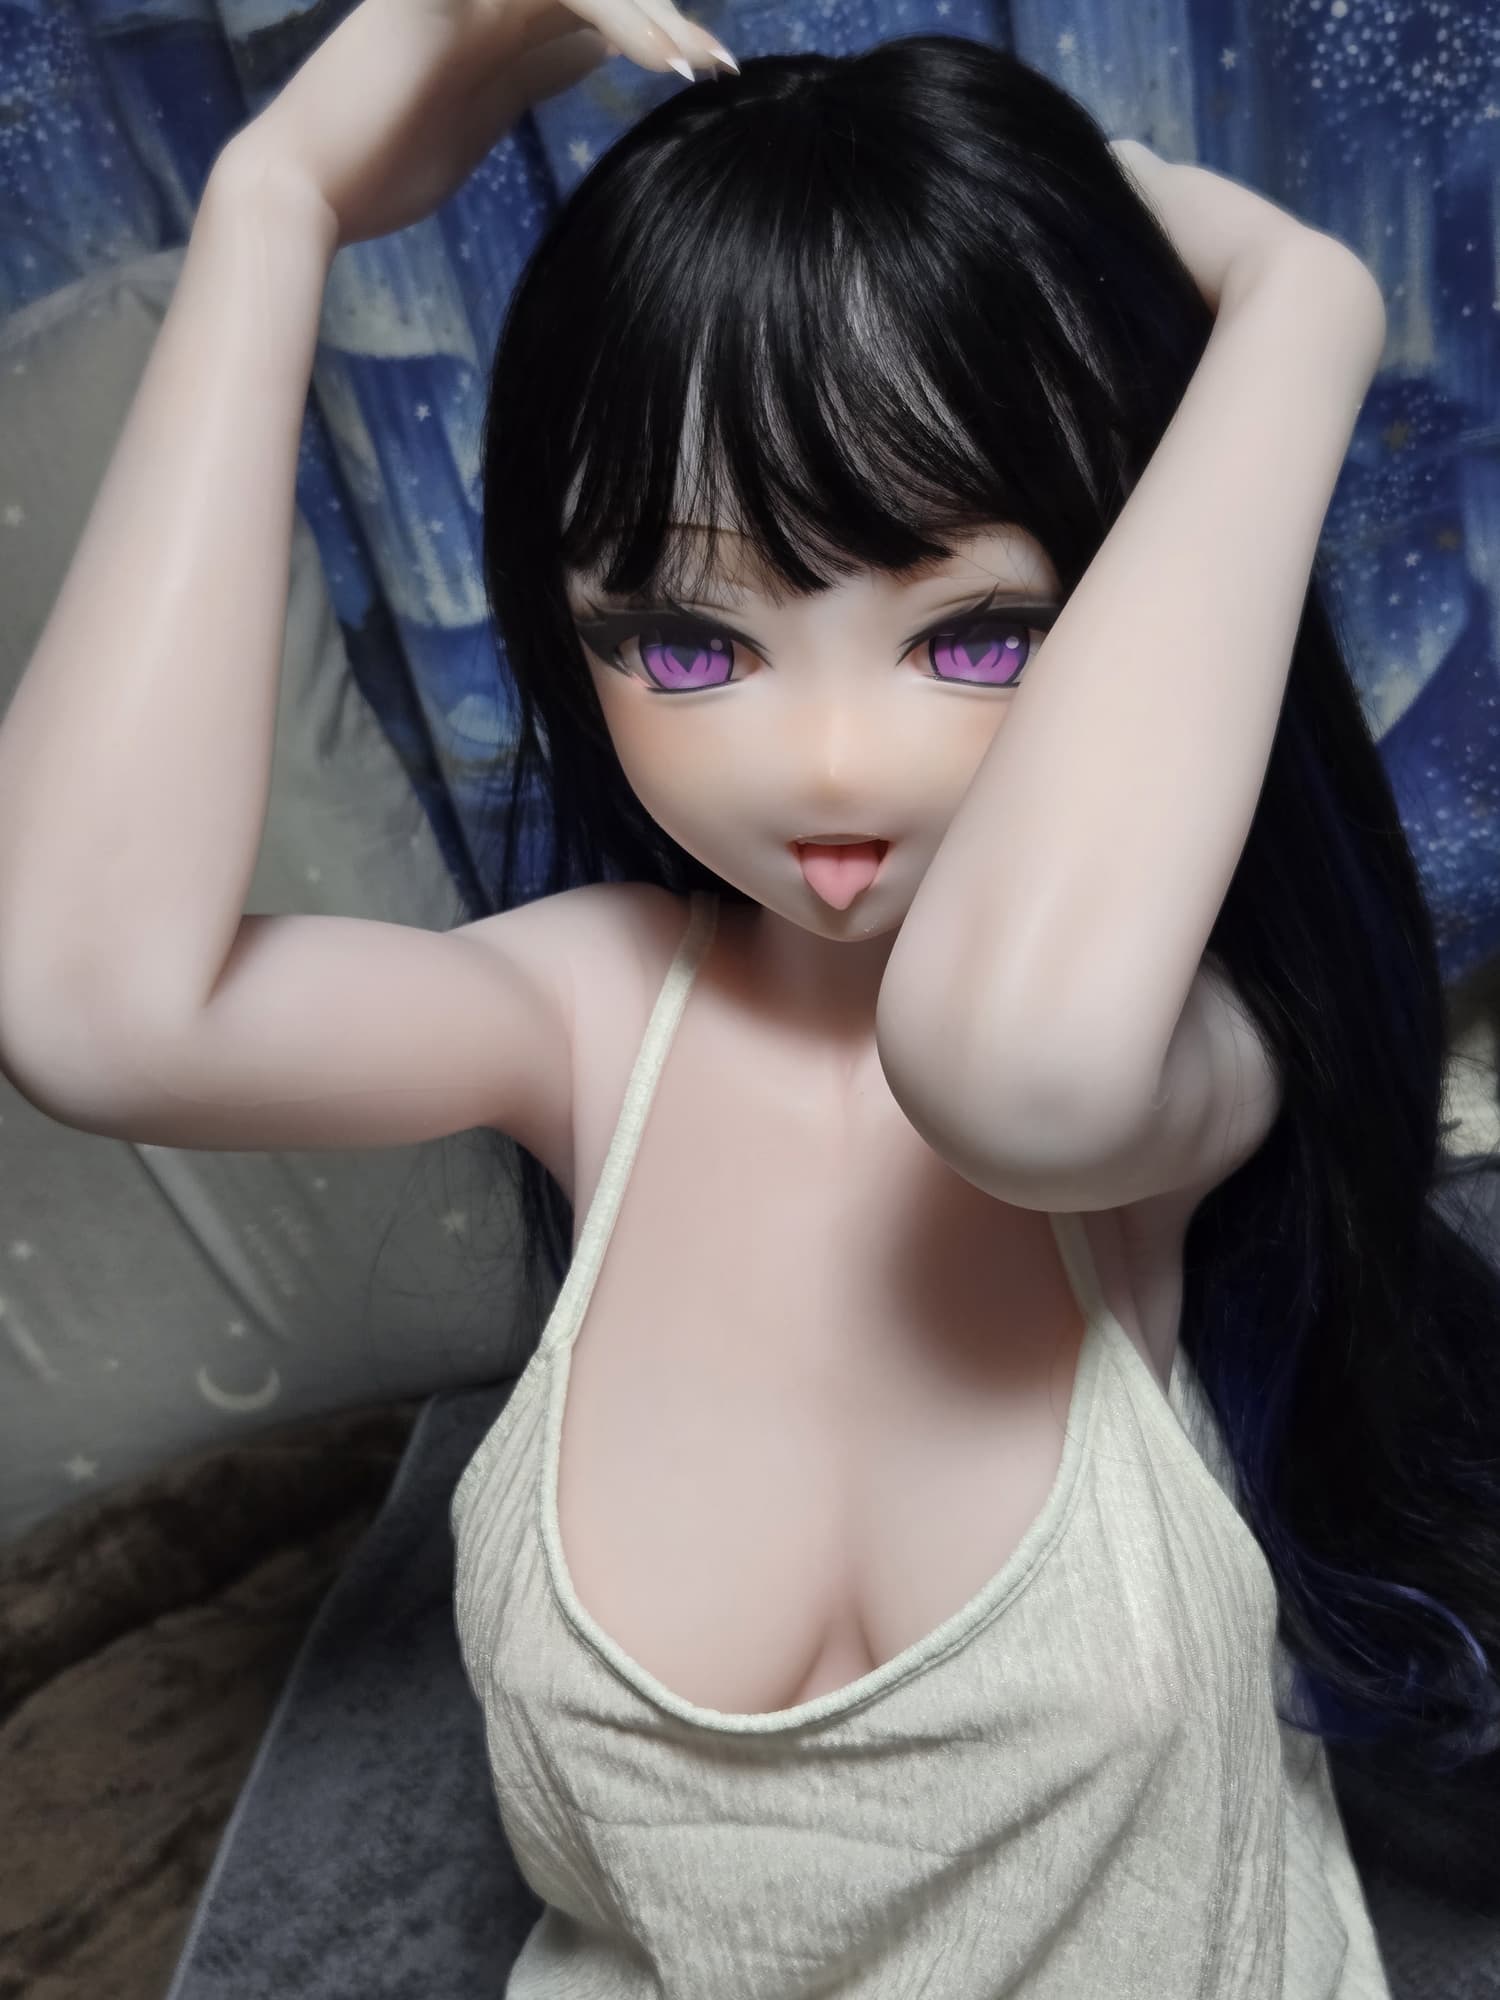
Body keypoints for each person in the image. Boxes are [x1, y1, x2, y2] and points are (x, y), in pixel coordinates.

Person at [0, 0, 1493, 1989]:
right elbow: (90, 1003)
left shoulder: (1176, 1056)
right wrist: (278, 204)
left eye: (982, 634)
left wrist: (1301, 318)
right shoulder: (593, 1011)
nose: (829, 769)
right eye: (688, 646)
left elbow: (1015, 1067)